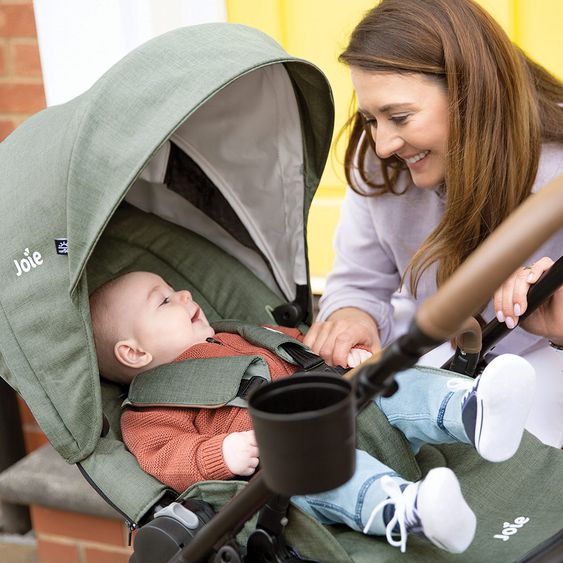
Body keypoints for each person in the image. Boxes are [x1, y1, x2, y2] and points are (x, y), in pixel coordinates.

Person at [90, 271, 537, 554]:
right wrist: (219, 454)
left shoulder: (244, 333)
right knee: (327, 476)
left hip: (346, 405)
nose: (184, 293)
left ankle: (470, 410)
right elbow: (163, 456)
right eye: (164, 300)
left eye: (174, 289)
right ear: (132, 352)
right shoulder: (149, 408)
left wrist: (352, 357)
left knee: (396, 380)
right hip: (291, 466)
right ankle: (410, 509)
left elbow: (307, 346)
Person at [303, 0, 563, 443]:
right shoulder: (380, 165)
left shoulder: (554, 173)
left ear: (470, 93)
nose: (382, 143)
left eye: (399, 117)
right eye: (371, 119)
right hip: (434, 360)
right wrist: (353, 316)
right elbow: (358, 283)